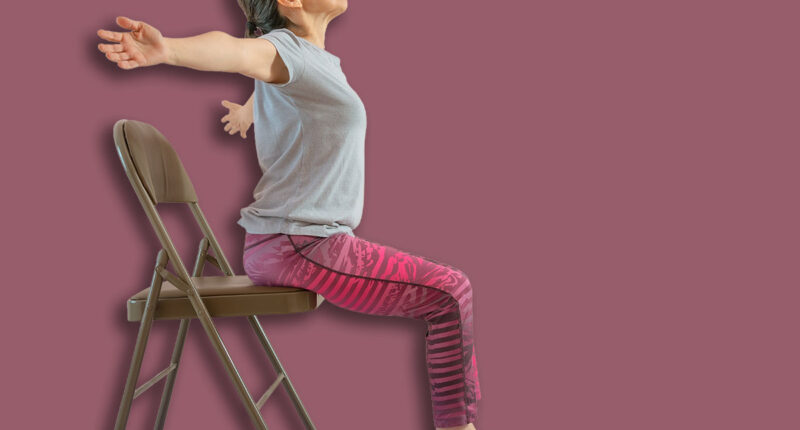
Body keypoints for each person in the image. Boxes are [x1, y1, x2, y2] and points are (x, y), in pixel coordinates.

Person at [96, 1, 481, 428]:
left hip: (297, 243)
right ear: (291, 2)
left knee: (450, 291)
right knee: (450, 292)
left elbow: (279, 82)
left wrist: (250, 110)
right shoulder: (284, 50)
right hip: (302, 245)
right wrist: (168, 49)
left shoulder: (308, 61)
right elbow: (238, 51)